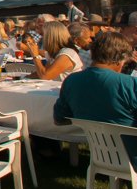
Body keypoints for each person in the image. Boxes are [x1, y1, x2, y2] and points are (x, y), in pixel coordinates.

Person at [54, 31, 137, 165]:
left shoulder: (71, 81)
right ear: (120, 59)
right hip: (131, 157)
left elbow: (59, 119)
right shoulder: (129, 84)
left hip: (102, 156)